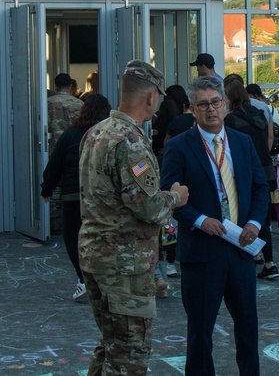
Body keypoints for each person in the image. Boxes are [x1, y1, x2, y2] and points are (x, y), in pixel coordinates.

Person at [77, 61, 189, 376]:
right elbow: (149, 207)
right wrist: (175, 196)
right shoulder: (131, 142)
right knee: (129, 356)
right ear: (151, 98)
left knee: (112, 344)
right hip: (124, 264)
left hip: (95, 256)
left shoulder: (95, 133)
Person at [160, 74, 270, 376]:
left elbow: (261, 189)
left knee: (248, 326)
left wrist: (254, 224)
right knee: (200, 333)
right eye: (203, 104)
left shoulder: (243, 143)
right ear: (192, 110)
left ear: (225, 103)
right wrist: (198, 219)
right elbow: (168, 194)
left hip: (241, 248)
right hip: (201, 253)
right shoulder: (180, 147)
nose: (211, 110)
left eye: (216, 102)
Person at [41, 93, 111, 303]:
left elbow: (55, 164)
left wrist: (47, 189)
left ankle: (84, 280)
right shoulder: (108, 134)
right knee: (102, 238)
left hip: (73, 194)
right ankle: (103, 281)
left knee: (73, 238)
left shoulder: (70, 134)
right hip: (102, 196)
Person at [224, 80, 279, 280]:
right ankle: (264, 258)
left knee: (249, 216)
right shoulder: (260, 114)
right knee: (262, 216)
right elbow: (269, 140)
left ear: (230, 99)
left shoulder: (231, 120)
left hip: (246, 172)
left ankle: (267, 262)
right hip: (265, 168)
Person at [48, 73, 84, 153]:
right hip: (73, 145)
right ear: (70, 86)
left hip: (54, 146)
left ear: (56, 86)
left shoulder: (48, 102)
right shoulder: (80, 104)